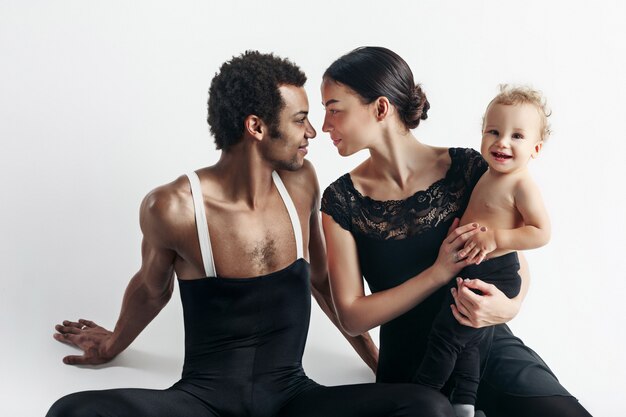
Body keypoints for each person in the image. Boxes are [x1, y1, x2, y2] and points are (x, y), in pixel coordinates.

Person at [46, 51, 454, 417]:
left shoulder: (301, 184)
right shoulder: (173, 207)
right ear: (256, 126)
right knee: (71, 411)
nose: (312, 131)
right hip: (202, 401)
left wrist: (376, 361)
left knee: (430, 407)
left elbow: (321, 279)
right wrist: (111, 344)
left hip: (294, 398)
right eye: (299, 120)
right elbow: (153, 290)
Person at [320, 46, 592, 417]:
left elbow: (513, 261)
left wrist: (506, 308)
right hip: (415, 370)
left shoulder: (468, 166)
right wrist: (438, 273)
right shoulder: (341, 200)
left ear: (381, 108)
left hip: (485, 340)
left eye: (334, 109)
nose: (324, 125)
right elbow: (352, 316)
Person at [412, 85, 552, 417]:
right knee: (470, 342)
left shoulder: (521, 184)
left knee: (446, 335)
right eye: (494, 131)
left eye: (517, 136)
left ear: (536, 148)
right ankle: (465, 403)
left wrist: (497, 239)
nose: (502, 142)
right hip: (474, 268)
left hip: (496, 272)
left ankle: (420, 393)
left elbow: (541, 232)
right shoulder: (485, 173)